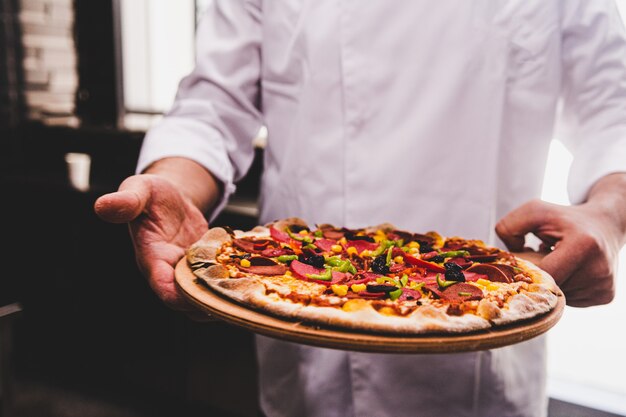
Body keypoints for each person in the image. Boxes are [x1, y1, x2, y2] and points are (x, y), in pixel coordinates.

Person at [95, 1, 626, 416]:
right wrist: (175, 185)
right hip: (301, 344)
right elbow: (214, 103)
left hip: (477, 360)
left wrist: (607, 215)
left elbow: (615, 108)